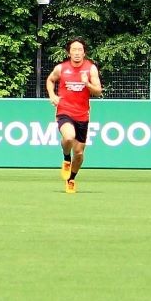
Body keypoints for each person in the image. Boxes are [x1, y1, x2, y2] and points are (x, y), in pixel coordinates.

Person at [46, 38, 103, 195]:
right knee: (69, 137)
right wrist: (52, 95)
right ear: (69, 52)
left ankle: (71, 179)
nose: (77, 53)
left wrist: (87, 84)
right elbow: (50, 80)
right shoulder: (61, 68)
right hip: (64, 111)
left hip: (82, 115)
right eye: (74, 50)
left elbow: (98, 91)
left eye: (80, 50)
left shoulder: (91, 69)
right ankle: (66, 158)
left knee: (78, 153)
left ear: (84, 52)